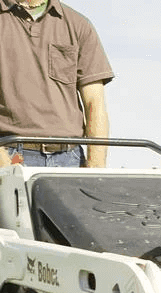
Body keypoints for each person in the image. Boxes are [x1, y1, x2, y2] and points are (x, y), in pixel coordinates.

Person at [0, 0, 113, 168]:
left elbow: (94, 104)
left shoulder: (78, 25)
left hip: (70, 158)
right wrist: (3, 161)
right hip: (10, 155)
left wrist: (96, 168)